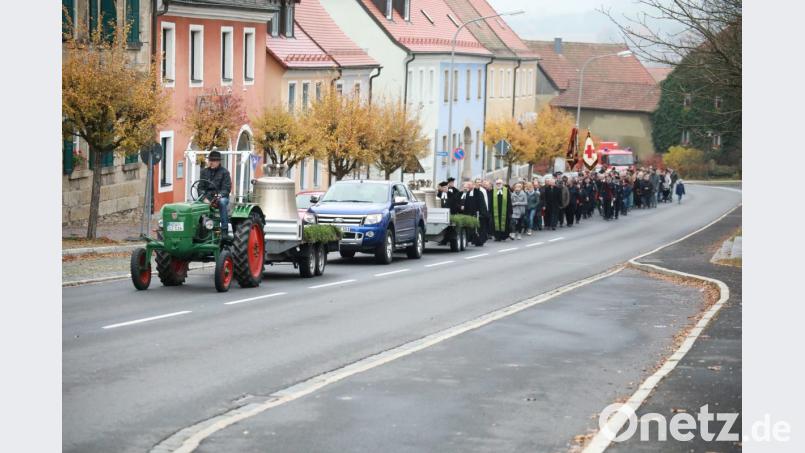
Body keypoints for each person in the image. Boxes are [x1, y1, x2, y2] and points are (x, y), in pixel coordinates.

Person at [199, 150, 232, 236]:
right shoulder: (204, 172)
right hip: (207, 197)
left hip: (221, 197)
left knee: (222, 202)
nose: (211, 162)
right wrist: (204, 198)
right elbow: (200, 187)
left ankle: (224, 229)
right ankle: (200, 229)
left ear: (218, 161)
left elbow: (226, 189)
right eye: (210, 160)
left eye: (213, 161)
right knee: (195, 205)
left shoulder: (225, 172)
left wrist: (218, 196)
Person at [473, 178, 491, 246]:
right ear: (475, 183)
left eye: (480, 182)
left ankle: (481, 239)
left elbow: (485, 201)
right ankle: (475, 240)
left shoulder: (483, 191)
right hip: (474, 210)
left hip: (482, 211)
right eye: (477, 182)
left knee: (481, 227)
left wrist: (485, 211)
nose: (479, 183)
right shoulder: (473, 190)